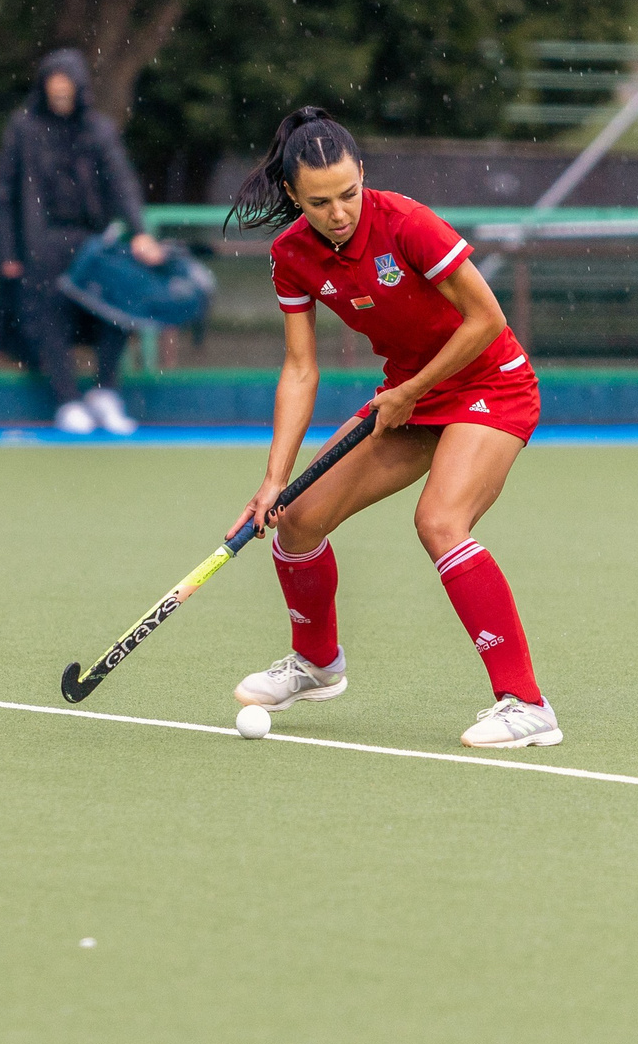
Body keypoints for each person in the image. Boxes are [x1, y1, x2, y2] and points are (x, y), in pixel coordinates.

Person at [226, 108, 554, 751]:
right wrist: (273, 481)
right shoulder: (291, 256)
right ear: (294, 195)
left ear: (362, 177)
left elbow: (485, 320)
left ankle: (527, 704)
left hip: (491, 384)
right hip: (409, 397)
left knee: (439, 522)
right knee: (295, 518)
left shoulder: (406, 223)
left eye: (348, 193)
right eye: (320, 202)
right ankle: (317, 664)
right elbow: (300, 370)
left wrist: (408, 391)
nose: (339, 212)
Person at [0, 48, 165, 436]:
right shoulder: (23, 129)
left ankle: (106, 394)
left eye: (66, 80)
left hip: (94, 240)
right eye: (53, 79)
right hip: (42, 243)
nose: (59, 88)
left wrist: (138, 230)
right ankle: (67, 400)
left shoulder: (98, 129)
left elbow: (121, 183)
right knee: (49, 319)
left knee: (113, 308)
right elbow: (4, 194)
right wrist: (7, 250)